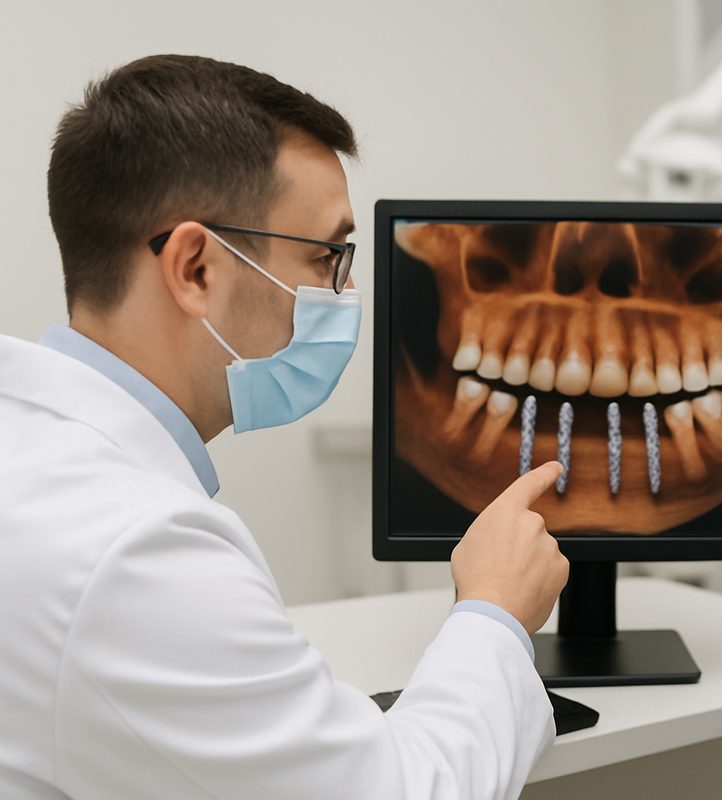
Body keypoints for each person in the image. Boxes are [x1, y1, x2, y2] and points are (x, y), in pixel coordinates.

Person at [0, 55, 569, 799]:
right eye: (327, 256)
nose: (347, 291)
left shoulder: (32, 448)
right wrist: (494, 610)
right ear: (196, 269)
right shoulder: (136, 555)